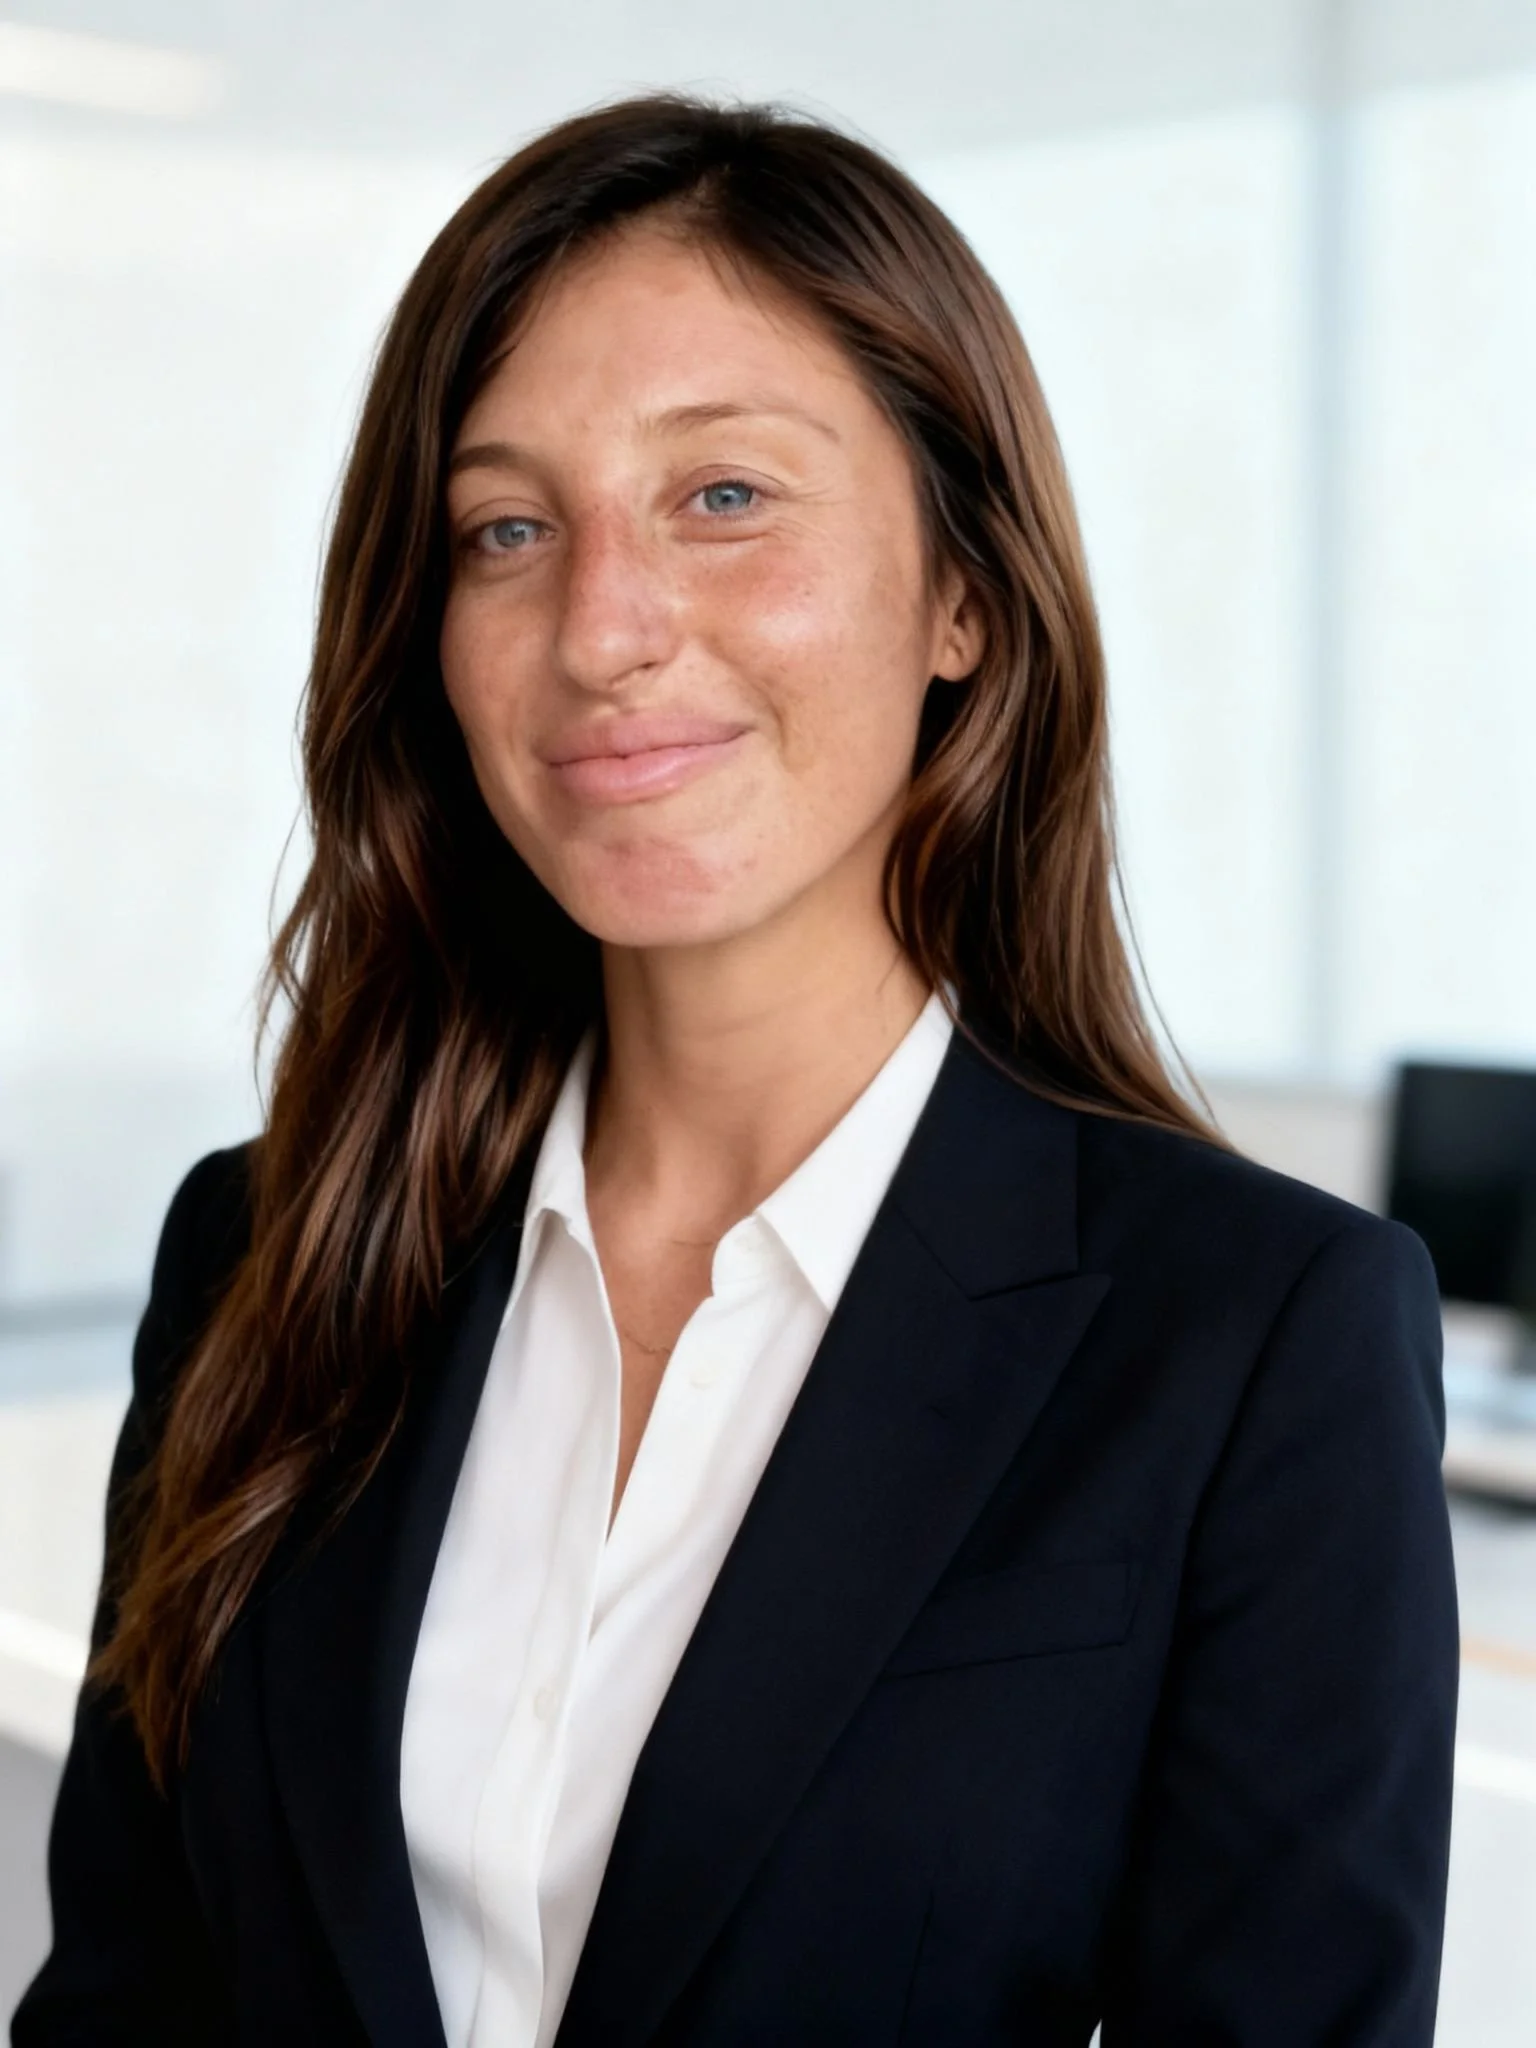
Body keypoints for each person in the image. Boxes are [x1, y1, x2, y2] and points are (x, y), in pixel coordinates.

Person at [14, 94, 1457, 2048]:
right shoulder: (266, 1252)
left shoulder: (1251, 1340)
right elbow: (125, 2002)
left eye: (724, 497)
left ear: (965, 596)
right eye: (507, 528)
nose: (600, 628)